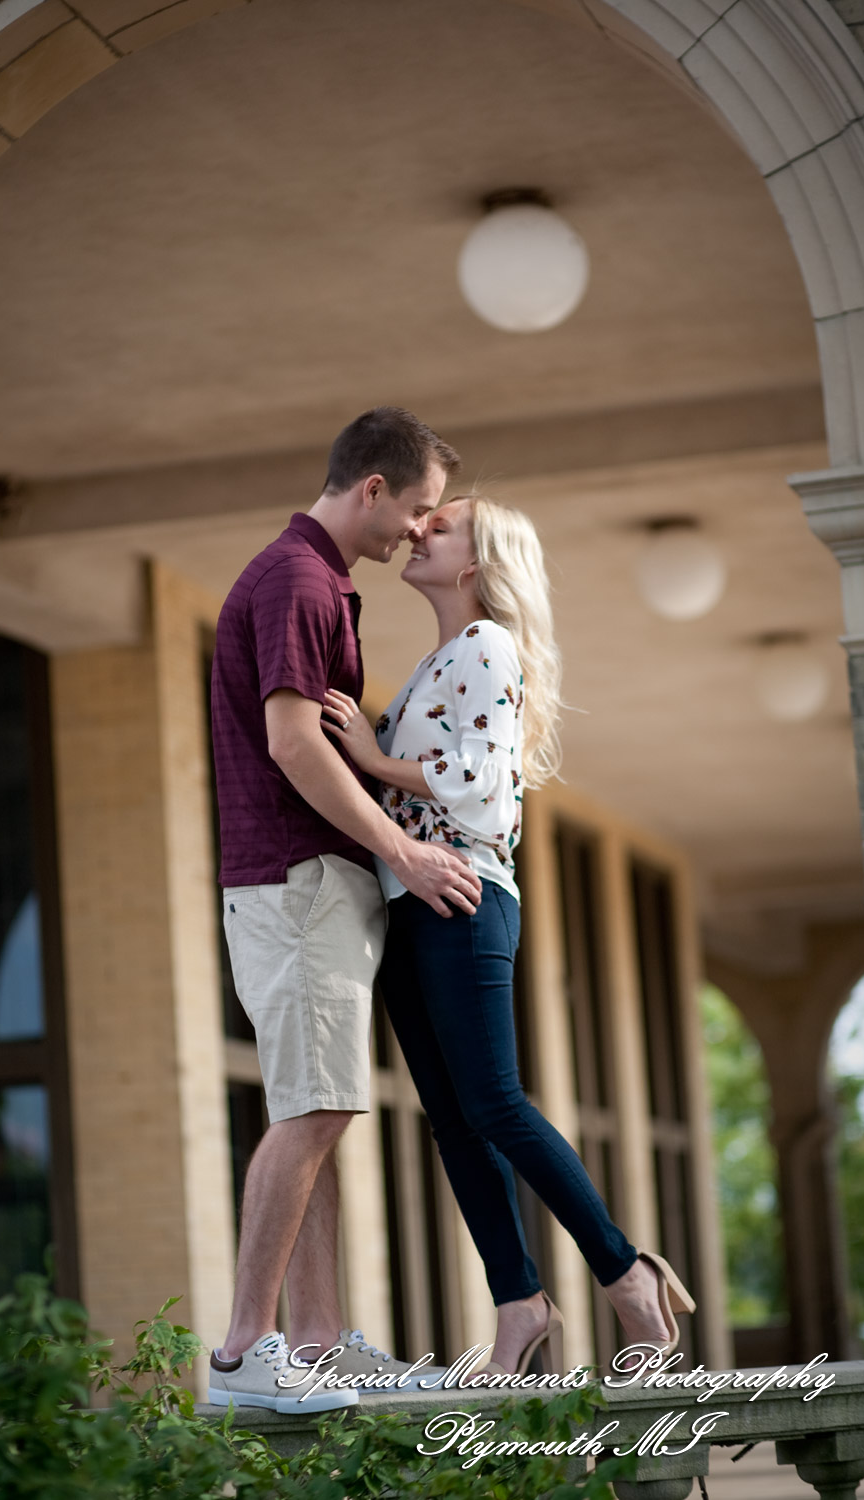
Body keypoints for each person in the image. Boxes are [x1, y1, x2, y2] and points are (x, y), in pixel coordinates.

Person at [322, 493, 695, 1376]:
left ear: (477, 567)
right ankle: (520, 1302)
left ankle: (625, 1271)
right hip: (415, 898)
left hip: (465, 895)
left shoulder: (487, 646)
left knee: (492, 1101)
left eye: (439, 527)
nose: (419, 531)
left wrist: (371, 757)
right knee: (453, 1121)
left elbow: (481, 779)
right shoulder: (440, 660)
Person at [206, 409, 483, 1413]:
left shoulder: (318, 582)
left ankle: (316, 1343)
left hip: (307, 884)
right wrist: (401, 846)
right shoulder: (297, 579)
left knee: (310, 1104)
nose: (419, 530)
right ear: (372, 488)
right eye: (415, 509)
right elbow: (291, 743)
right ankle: (245, 1352)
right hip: (294, 881)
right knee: (317, 1107)